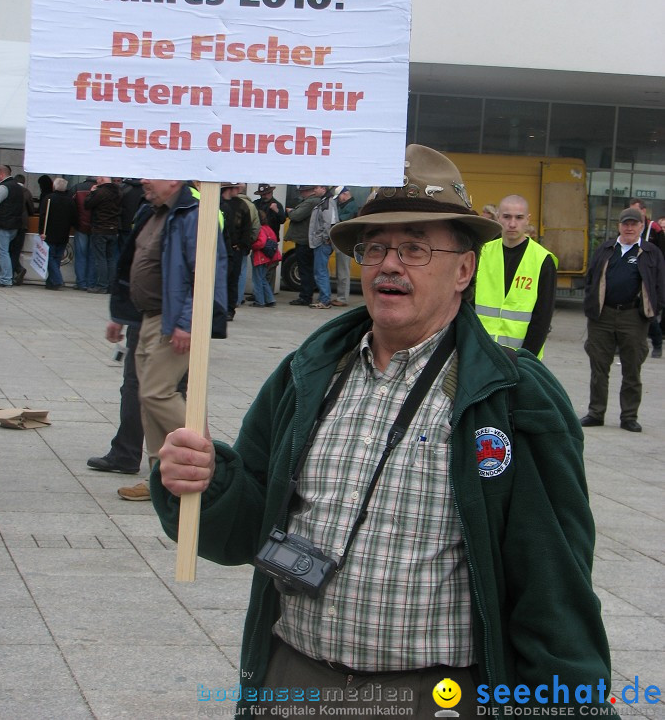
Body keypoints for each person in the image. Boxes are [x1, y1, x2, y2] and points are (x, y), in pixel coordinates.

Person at [152, 145, 615, 718]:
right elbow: (245, 528)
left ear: (464, 270)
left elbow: (554, 588)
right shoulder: (309, 372)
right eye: (374, 248)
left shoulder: (515, 398)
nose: (388, 265)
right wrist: (205, 481)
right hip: (293, 681)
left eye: (415, 247)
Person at [112, 178, 227, 502]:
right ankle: (159, 478)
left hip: (172, 318)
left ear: (173, 178)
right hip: (148, 317)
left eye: (152, 174)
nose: (144, 180)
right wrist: (119, 315)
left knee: (156, 393)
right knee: (149, 404)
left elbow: (205, 272)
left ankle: (207, 461)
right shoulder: (153, 211)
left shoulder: (193, 213)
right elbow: (132, 263)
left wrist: (187, 321)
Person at [580, 206, 665, 433]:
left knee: (632, 368)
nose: (629, 228)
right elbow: (591, 278)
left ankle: (629, 416)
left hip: (633, 317)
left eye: (634, 224)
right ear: (619, 225)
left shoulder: (651, 253)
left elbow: (659, 284)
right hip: (602, 315)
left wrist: (654, 310)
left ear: (641, 226)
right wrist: (591, 305)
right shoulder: (606, 249)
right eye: (625, 223)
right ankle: (596, 412)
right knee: (598, 367)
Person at [475, 194, 557, 358]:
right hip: (480, 353)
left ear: (527, 219)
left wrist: (526, 359)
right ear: (498, 218)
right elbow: (468, 305)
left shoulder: (543, 260)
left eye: (519, 218)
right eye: (507, 217)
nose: (512, 224)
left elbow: (542, 319)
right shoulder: (482, 252)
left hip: (521, 358)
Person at [629, 198, 665, 358]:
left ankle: (657, 343)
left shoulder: (654, 229)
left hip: (649, 276)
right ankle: (620, 344)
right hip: (631, 274)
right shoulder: (627, 228)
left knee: (648, 312)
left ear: (644, 211)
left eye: (636, 210)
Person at [220, 182, 253, 321]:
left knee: (233, 280)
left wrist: (242, 246)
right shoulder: (218, 203)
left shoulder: (242, 205)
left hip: (235, 250)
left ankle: (229, 309)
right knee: (221, 280)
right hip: (221, 249)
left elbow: (247, 228)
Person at [285, 184, 321, 307]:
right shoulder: (314, 201)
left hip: (304, 241)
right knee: (308, 269)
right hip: (307, 240)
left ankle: (305, 297)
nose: (300, 193)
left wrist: (290, 211)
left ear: (307, 191)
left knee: (304, 270)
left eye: (302, 191)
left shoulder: (310, 202)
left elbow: (296, 216)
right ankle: (307, 295)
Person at [85, 177, 121, 294]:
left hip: (100, 228)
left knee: (100, 258)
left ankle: (102, 285)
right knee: (111, 258)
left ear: (101, 180)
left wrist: (92, 193)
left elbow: (88, 204)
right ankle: (111, 285)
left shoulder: (100, 192)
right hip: (113, 228)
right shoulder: (119, 192)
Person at [39, 177, 76, 290]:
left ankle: (57, 279)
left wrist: (41, 232)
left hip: (49, 233)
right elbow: (73, 218)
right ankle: (52, 282)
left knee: (50, 258)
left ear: (54, 186)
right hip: (63, 233)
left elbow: (43, 216)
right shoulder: (70, 201)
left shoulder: (49, 198)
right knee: (56, 258)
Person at [0, 164, 23, 288]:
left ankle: (5, 279)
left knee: (1, 253)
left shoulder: (3, 187)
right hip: (13, 225)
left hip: (1, 224)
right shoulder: (17, 187)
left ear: (2, 174)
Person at [308, 185, 338, 309]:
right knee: (320, 271)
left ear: (324, 189)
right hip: (321, 241)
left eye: (316, 188)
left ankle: (325, 300)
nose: (314, 190)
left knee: (320, 272)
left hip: (321, 242)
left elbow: (328, 223)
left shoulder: (327, 203)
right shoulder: (324, 202)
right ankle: (323, 298)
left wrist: (325, 238)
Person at [253, 184, 287, 294]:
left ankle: (268, 293)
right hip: (260, 238)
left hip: (271, 240)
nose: (264, 196)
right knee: (259, 267)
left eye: (266, 193)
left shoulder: (277, 204)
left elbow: (282, 219)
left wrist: (276, 210)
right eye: (263, 194)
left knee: (270, 268)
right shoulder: (256, 204)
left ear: (271, 193)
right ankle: (259, 293)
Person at [331, 186, 358, 307]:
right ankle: (340, 297)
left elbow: (339, 221)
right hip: (342, 240)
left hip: (345, 241)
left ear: (345, 194)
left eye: (340, 197)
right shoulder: (346, 205)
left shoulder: (351, 206)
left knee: (343, 271)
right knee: (341, 270)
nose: (339, 200)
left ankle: (342, 298)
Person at [70, 176, 97, 291]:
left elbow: (71, 205)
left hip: (81, 226)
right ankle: (91, 282)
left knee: (81, 255)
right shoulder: (99, 189)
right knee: (92, 256)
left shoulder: (77, 188)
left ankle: (81, 282)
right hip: (96, 227)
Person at [236, 183, 261, 306]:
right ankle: (239, 298)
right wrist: (250, 240)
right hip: (244, 244)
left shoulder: (225, 202)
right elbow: (256, 227)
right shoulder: (251, 206)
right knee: (241, 271)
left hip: (229, 244)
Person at [249, 209, 279, 307]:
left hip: (259, 256)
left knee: (257, 279)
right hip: (268, 257)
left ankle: (259, 301)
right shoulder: (268, 228)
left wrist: (252, 245)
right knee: (263, 279)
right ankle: (270, 299)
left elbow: (261, 243)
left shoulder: (260, 229)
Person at [9, 173, 35, 285]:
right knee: (16, 251)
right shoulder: (27, 192)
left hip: (11, 224)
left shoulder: (10, 189)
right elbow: (31, 210)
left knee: (9, 250)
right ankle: (16, 270)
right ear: (24, 182)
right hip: (23, 225)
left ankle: (16, 271)